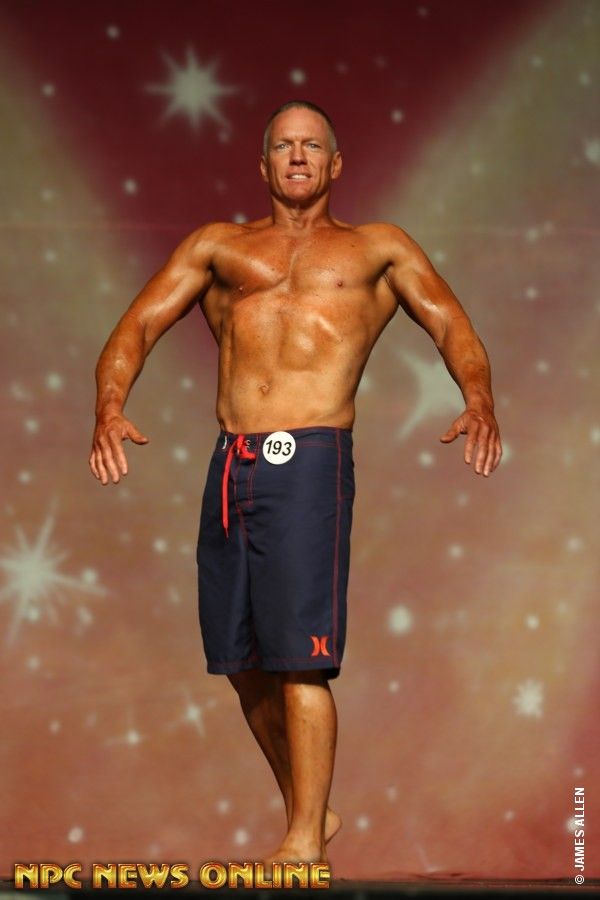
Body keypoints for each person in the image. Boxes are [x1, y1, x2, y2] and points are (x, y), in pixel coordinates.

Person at [89, 99, 502, 874]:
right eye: (284, 145)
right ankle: (311, 808)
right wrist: (109, 406)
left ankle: (305, 841)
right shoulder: (218, 246)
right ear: (264, 164)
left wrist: (477, 398)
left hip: (309, 458)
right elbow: (136, 326)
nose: (299, 156)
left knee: (300, 659)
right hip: (231, 460)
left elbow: (452, 325)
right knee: (240, 658)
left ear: (336, 163)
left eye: (313, 145)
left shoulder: (378, 249)